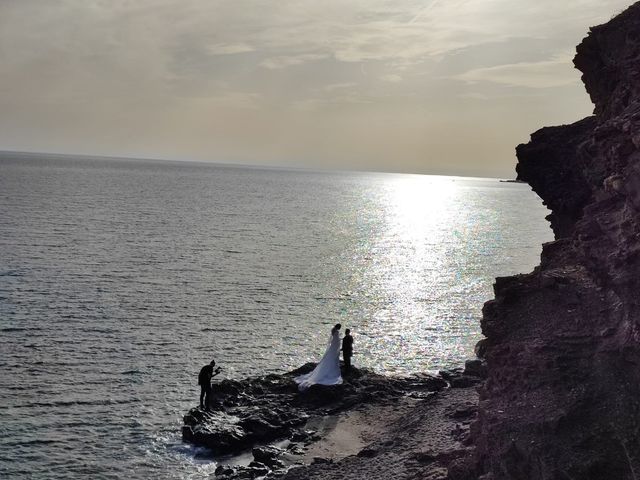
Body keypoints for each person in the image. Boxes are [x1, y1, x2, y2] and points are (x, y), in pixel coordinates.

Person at [295, 324, 343, 391]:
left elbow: (333, 339)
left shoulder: (333, 330)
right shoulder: (336, 332)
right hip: (335, 346)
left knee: (331, 357)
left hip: (333, 345)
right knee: (333, 358)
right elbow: (336, 340)